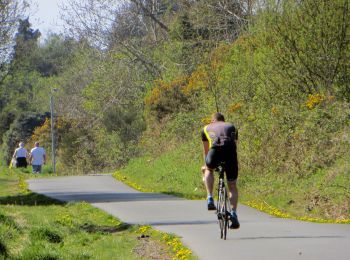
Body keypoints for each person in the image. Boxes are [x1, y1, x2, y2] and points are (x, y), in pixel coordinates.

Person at [201, 112, 240, 229]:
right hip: (230, 153)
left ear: (212, 120)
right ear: (224, 120)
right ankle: (233, 213)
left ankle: (209, 198)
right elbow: (234, 145)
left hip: (215, 152)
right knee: (232, 184)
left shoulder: (206, 128)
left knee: (209, 169)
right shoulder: (232, 126)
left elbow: (206, 151)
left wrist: (206, 165)